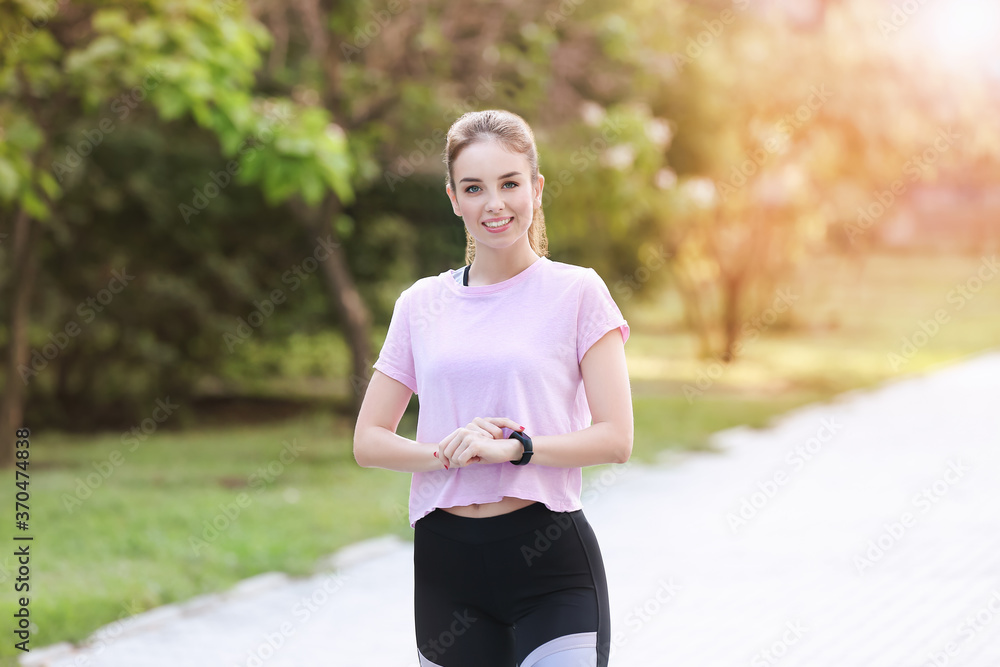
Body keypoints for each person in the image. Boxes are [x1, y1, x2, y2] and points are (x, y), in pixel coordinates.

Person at [354, 109, 633, 667]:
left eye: (509, 184)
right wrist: (447, 453)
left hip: (550, 563)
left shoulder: (577, 292)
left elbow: (616, 438)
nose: (495, 204)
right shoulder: (420, 304)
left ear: (536, 186)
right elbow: (367, 441)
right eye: (474, 188)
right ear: (454, 198)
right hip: (447, 569)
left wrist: (516, 449)